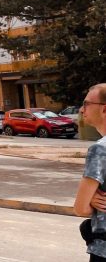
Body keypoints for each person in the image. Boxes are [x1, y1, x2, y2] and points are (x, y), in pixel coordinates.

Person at [74, 84, 106, 261]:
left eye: (86, 104)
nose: (81, 109)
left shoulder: (100, 150)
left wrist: (92, 202)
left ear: (104, 109)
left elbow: (81, 208)